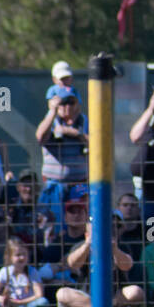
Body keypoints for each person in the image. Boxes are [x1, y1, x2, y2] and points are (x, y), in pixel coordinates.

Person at [55, 218, 145, 307]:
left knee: (136, 292)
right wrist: (87, 245)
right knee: (62, 293)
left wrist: (114, 249)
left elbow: (127, 266)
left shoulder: (120, 247)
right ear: (87, 235)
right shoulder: (80, 247)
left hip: (115, 296)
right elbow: (73, 264)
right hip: (87, 296)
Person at [36, 90, 89, 229]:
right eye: (62, 103)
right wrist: (52, 112)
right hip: (55, 186)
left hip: (79, 186)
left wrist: (76, 133)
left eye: (71, 103)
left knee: (81, 225)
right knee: (52, 227)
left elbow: (98, 145)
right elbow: (40, 137)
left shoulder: (84, 122)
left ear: (78, 104)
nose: (67, 107)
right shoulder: (50, 121)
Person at [0, 237, 52, 307]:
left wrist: (21, 303)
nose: (22, 257)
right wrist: (4, 300)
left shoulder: (32, 271)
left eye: (24, 254)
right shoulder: (5, 271)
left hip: (27, 305)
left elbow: (39, 294)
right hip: (10, 306)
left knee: (43, 302)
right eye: (18, 255)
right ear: (10, 257)